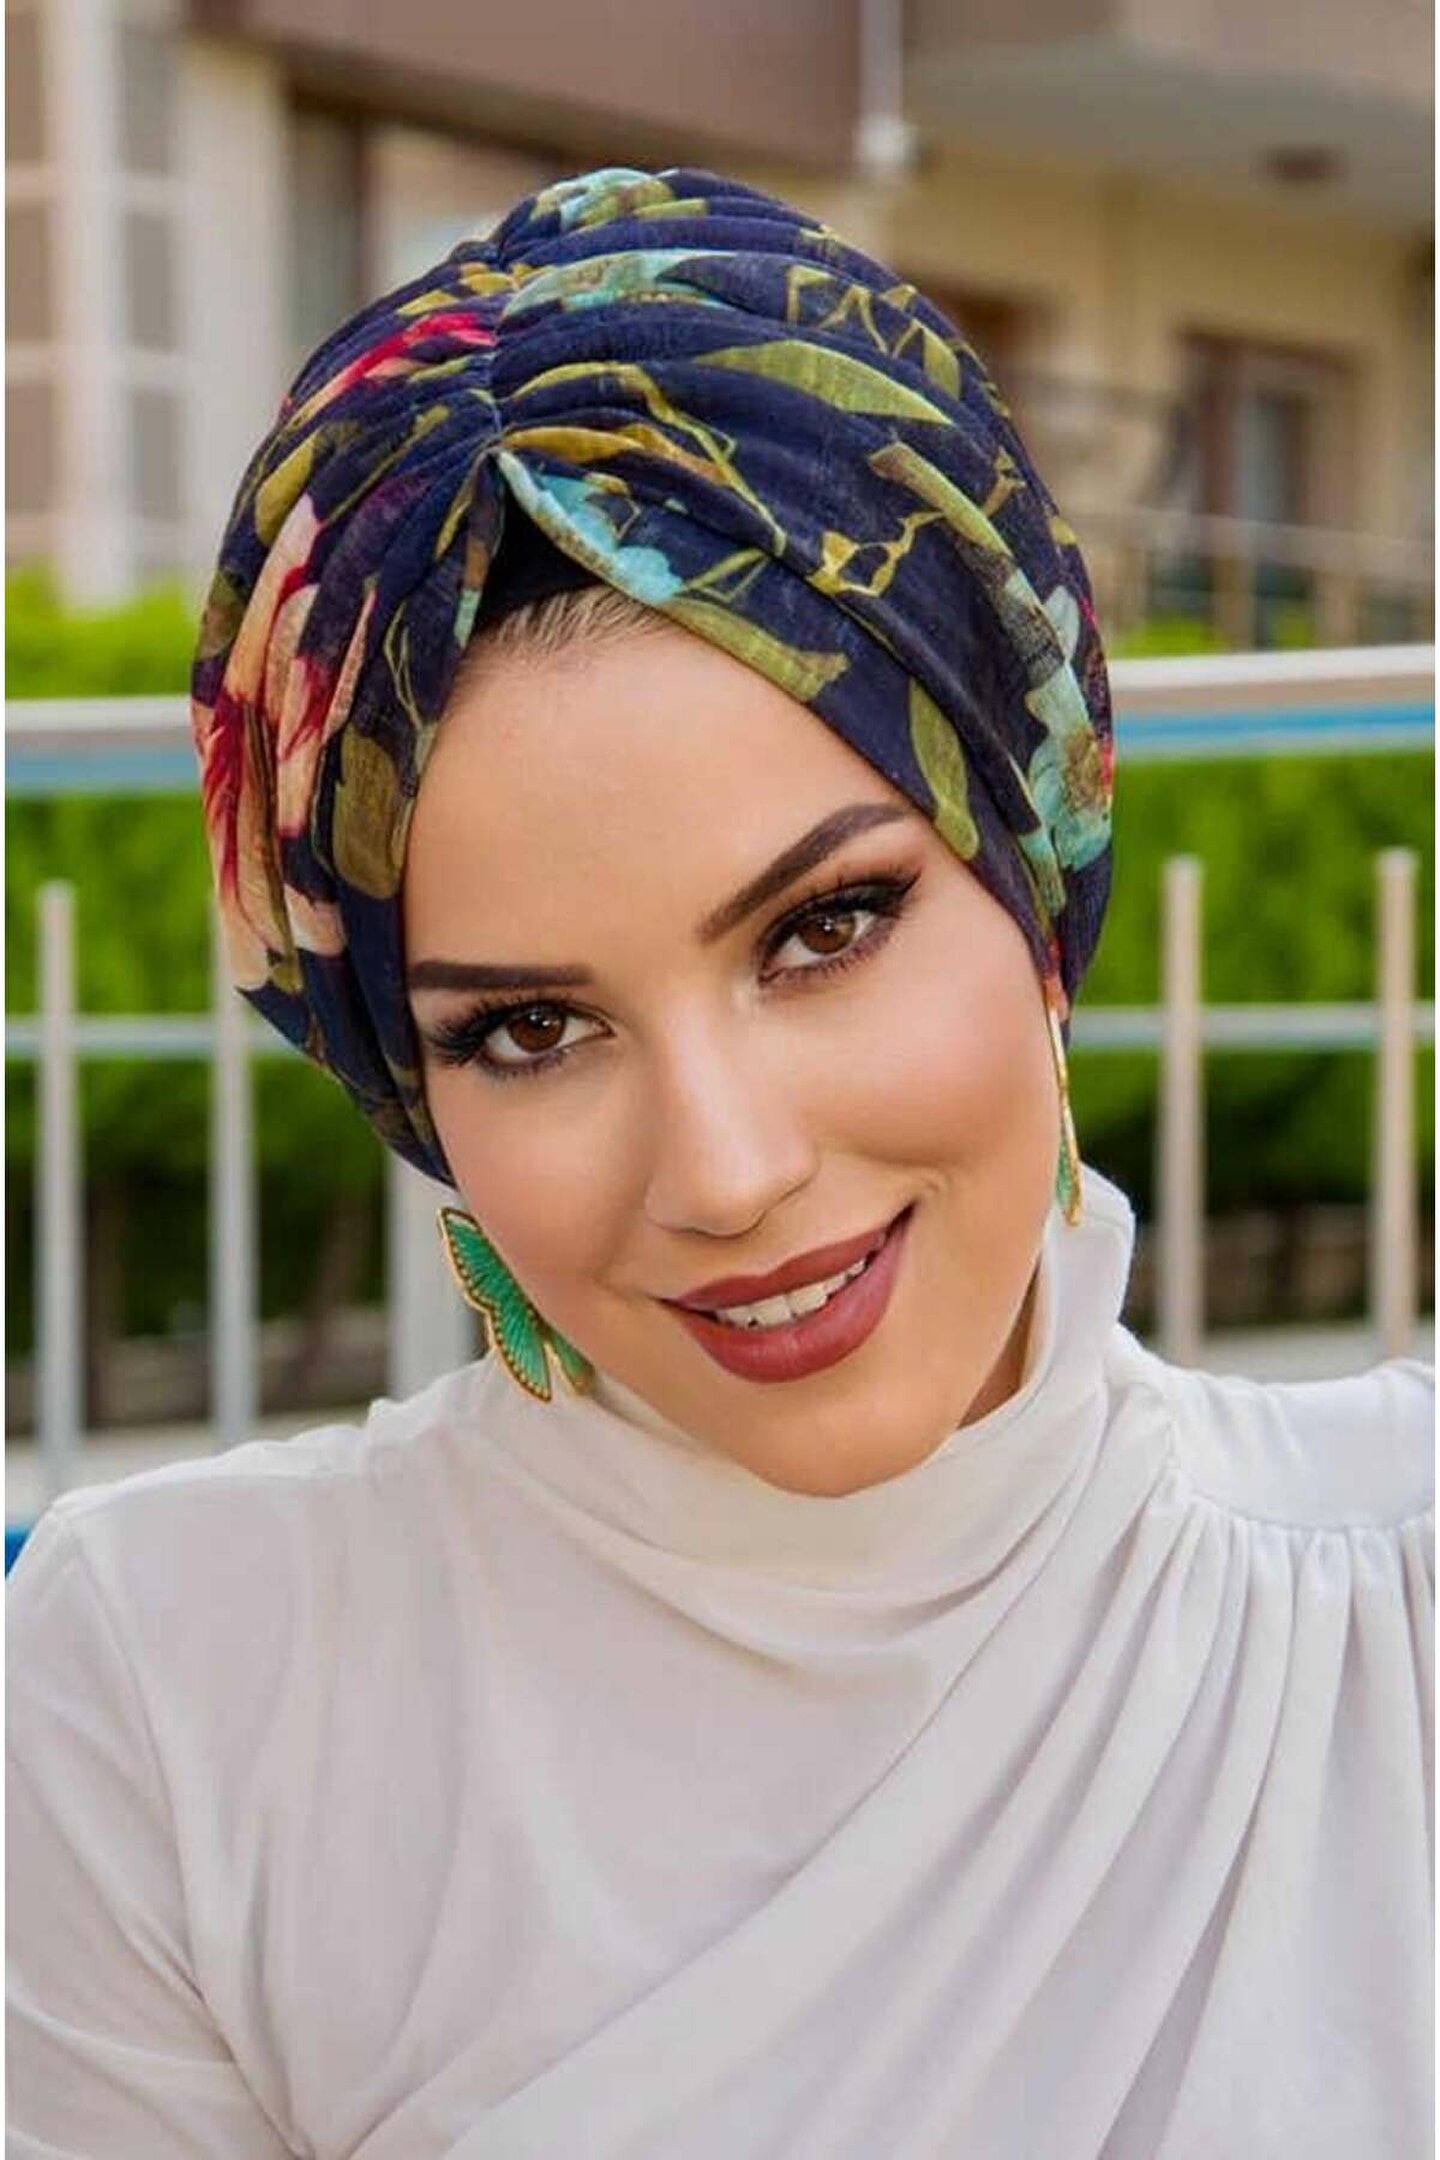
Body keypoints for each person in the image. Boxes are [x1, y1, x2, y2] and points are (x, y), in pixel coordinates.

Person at [7, 165, 1431, 2159]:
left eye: (824, 928)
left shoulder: (1390, 1613)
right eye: (531, 1030)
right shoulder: (171, 1696)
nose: (729, 1169)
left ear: (1037, 881)